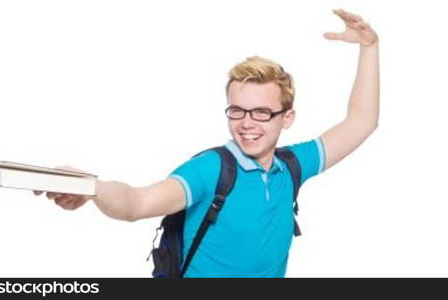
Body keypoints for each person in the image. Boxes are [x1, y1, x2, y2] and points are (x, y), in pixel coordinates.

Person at [35, 9, 381, 277]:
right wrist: (92, 186)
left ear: (286, 118)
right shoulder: (212, 169)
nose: (246, 124)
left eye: (261, 112)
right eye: (237, 110)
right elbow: (136, 203)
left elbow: (361, 122)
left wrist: (369, 47)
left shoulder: (291, 166)